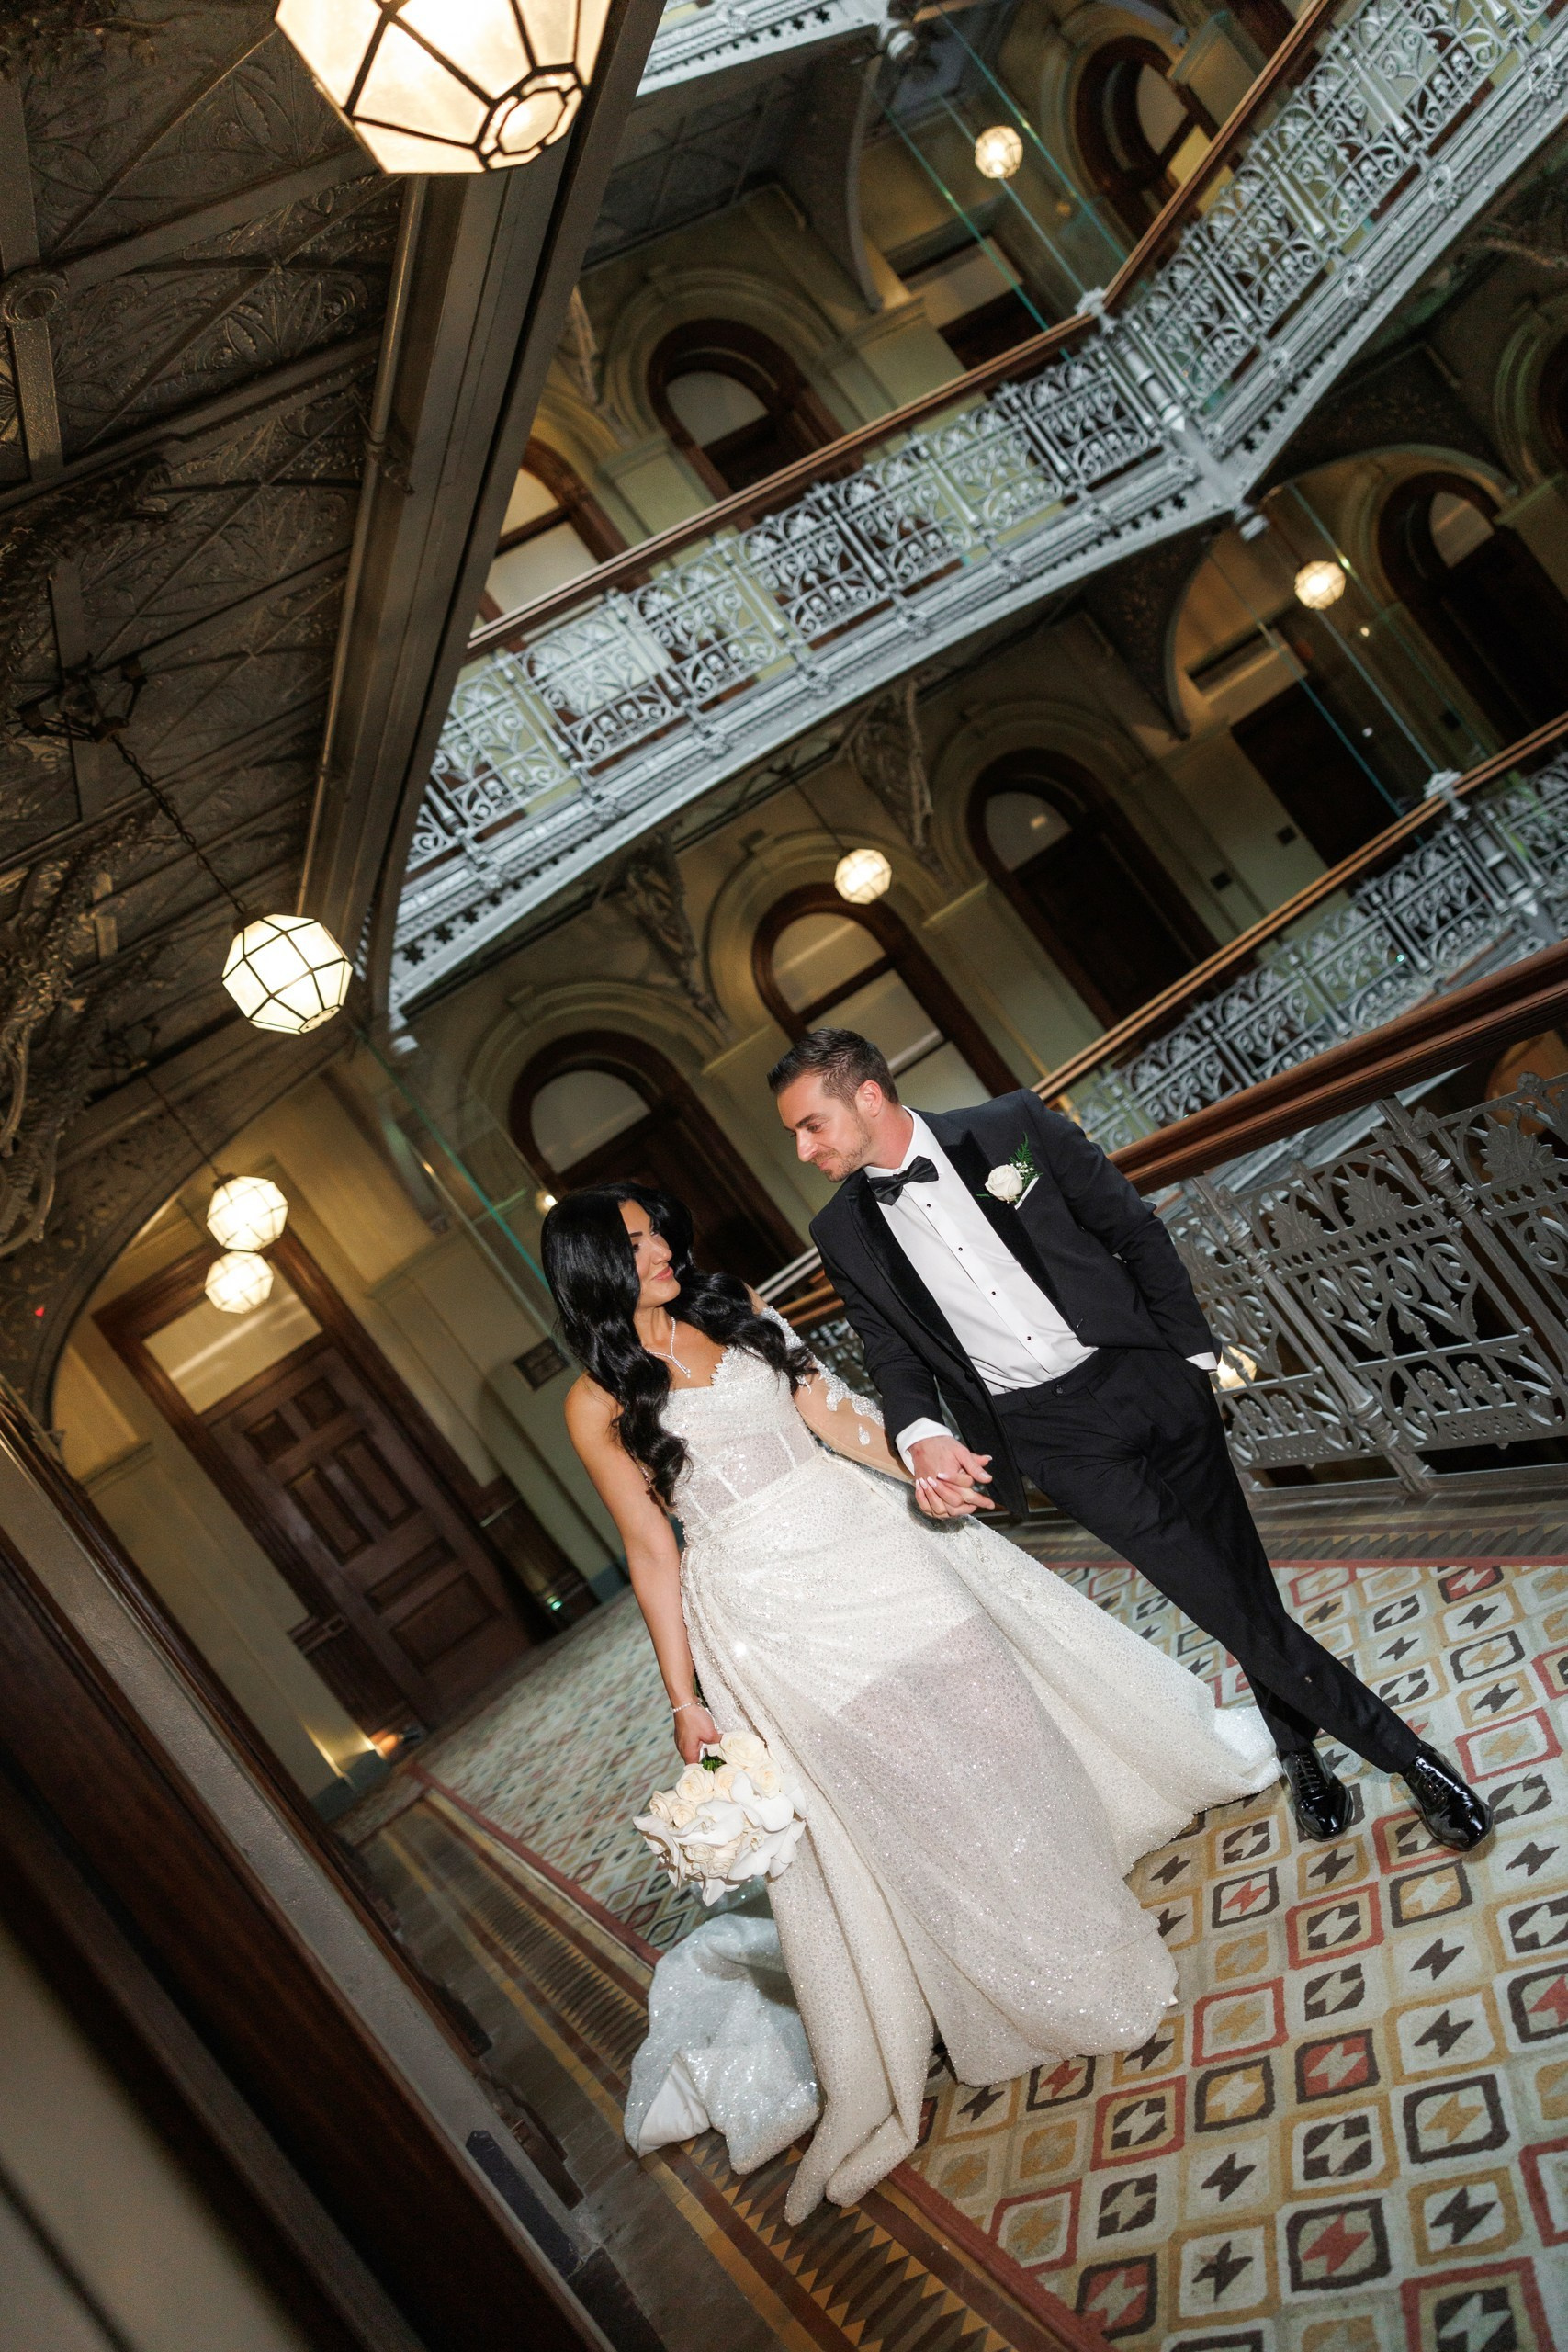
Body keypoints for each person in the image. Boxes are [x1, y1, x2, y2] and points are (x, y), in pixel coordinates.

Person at [544, 1179, 1280, 2223]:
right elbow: (651, 1547)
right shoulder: (594, 1404)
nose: (660, 1245)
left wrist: (920, 1464)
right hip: (766, 1610)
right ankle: (1031, 1958)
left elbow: (832, 1414)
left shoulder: (733, 1302)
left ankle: (1064, 1870)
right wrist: (683, 1696)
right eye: (633, 1241)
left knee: (997, 1713)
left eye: (656, 1229)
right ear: (593, 1267)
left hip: (861, 1537)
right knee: (918, 1785)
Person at [772, 1026, 1492, 1854]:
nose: (802, 1149)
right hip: (1050, 1437)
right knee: (1214, 1598)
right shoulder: (842, 1231)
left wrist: (1189, 1356)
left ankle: (1298, 1753)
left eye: (811, 1125)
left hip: (1145, 1378)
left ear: (867, 1095)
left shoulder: (1011, 1127)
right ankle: (1411, 1760)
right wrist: (921, 1429)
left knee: (1242, 1590)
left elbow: (1133, 1229)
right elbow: (890, 1350)